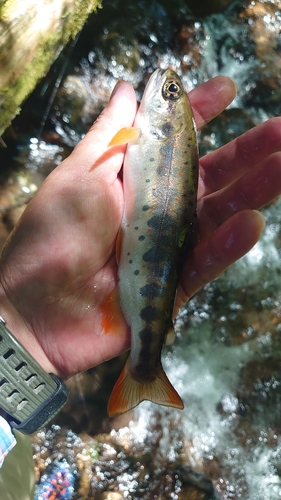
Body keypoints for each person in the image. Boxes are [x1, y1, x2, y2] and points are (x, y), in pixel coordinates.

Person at [0, 76, 281, 462]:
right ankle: (144, 369)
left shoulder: (136, 132)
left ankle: (143, 369)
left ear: (168, 121)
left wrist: (24, 328)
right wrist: (26, 330)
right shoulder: (149, 132)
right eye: (173, 91)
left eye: (169, 93)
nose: (166, 80)